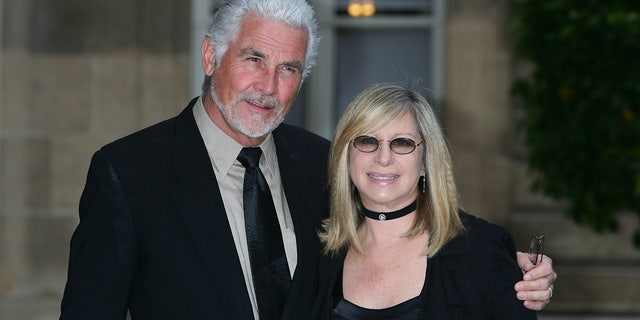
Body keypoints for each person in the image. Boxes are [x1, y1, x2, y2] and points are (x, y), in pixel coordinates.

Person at [59, 0, 555, 319]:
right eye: (254, 59)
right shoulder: (127, 173)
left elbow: (408, 226)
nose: (268, 85)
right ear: (212, 57)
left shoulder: (319, 164)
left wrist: (511, 272)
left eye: (289, 68)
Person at [305, 83, 538, 319]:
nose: (383, 158)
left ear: (426, 162)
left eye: (402, 143)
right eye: (367, 140)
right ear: (346, 157)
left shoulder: (481, 250)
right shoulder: (320, 257)